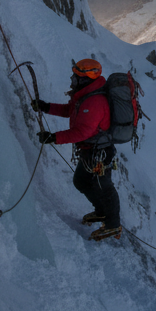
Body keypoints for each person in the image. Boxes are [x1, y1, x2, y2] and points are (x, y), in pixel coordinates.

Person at [34, 58, 122, 241]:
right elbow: (70, 111)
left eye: (76, 76)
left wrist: (54, 138)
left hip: (100, 152)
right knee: (81, 181)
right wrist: (46, 107)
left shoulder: (95, 101)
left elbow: (83, 131)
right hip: (92, 150)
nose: (72, 79)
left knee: (104, 187)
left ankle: (113, 224)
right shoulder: (85, 96)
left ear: (85, 78)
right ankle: (101, 212)